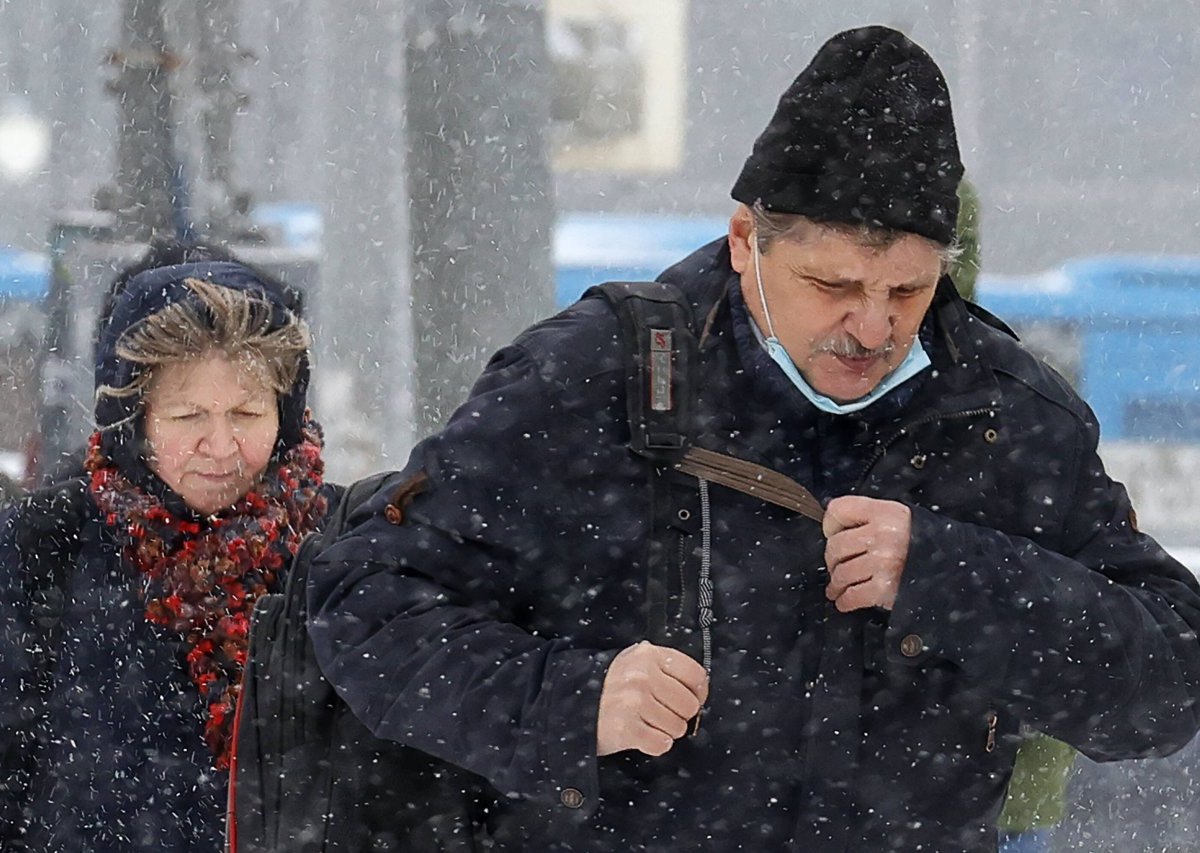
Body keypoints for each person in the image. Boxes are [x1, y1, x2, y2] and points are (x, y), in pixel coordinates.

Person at [307, 25, 1200, 852]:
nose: (872, 326)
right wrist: (570, 701)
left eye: (908, 290)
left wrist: (953, 576)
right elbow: (364, 601)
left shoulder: (1005, 416)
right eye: (833, 283)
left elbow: (1169, 685)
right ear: (745, 240)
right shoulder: (593, 377)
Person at [0, 260, 334, 850]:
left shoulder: (346, 551)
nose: (222, 445)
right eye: (187, 417)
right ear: (135, 423)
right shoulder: (46, 547)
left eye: (248, 413)